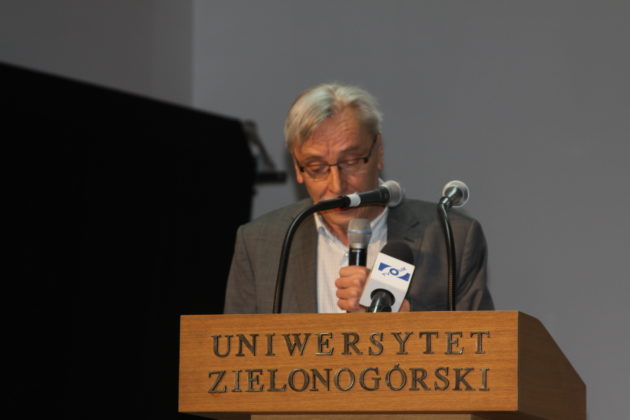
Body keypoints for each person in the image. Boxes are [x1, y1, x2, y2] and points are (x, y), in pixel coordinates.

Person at [224, 83, 493, 314]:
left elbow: (483, 345)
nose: (337, 185)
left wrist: (402, 315)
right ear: (297, 167)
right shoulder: (260, 244)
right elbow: (233, 351)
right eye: (317, 167)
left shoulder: (451, 238)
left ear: (379, 152)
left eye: (351, 161)